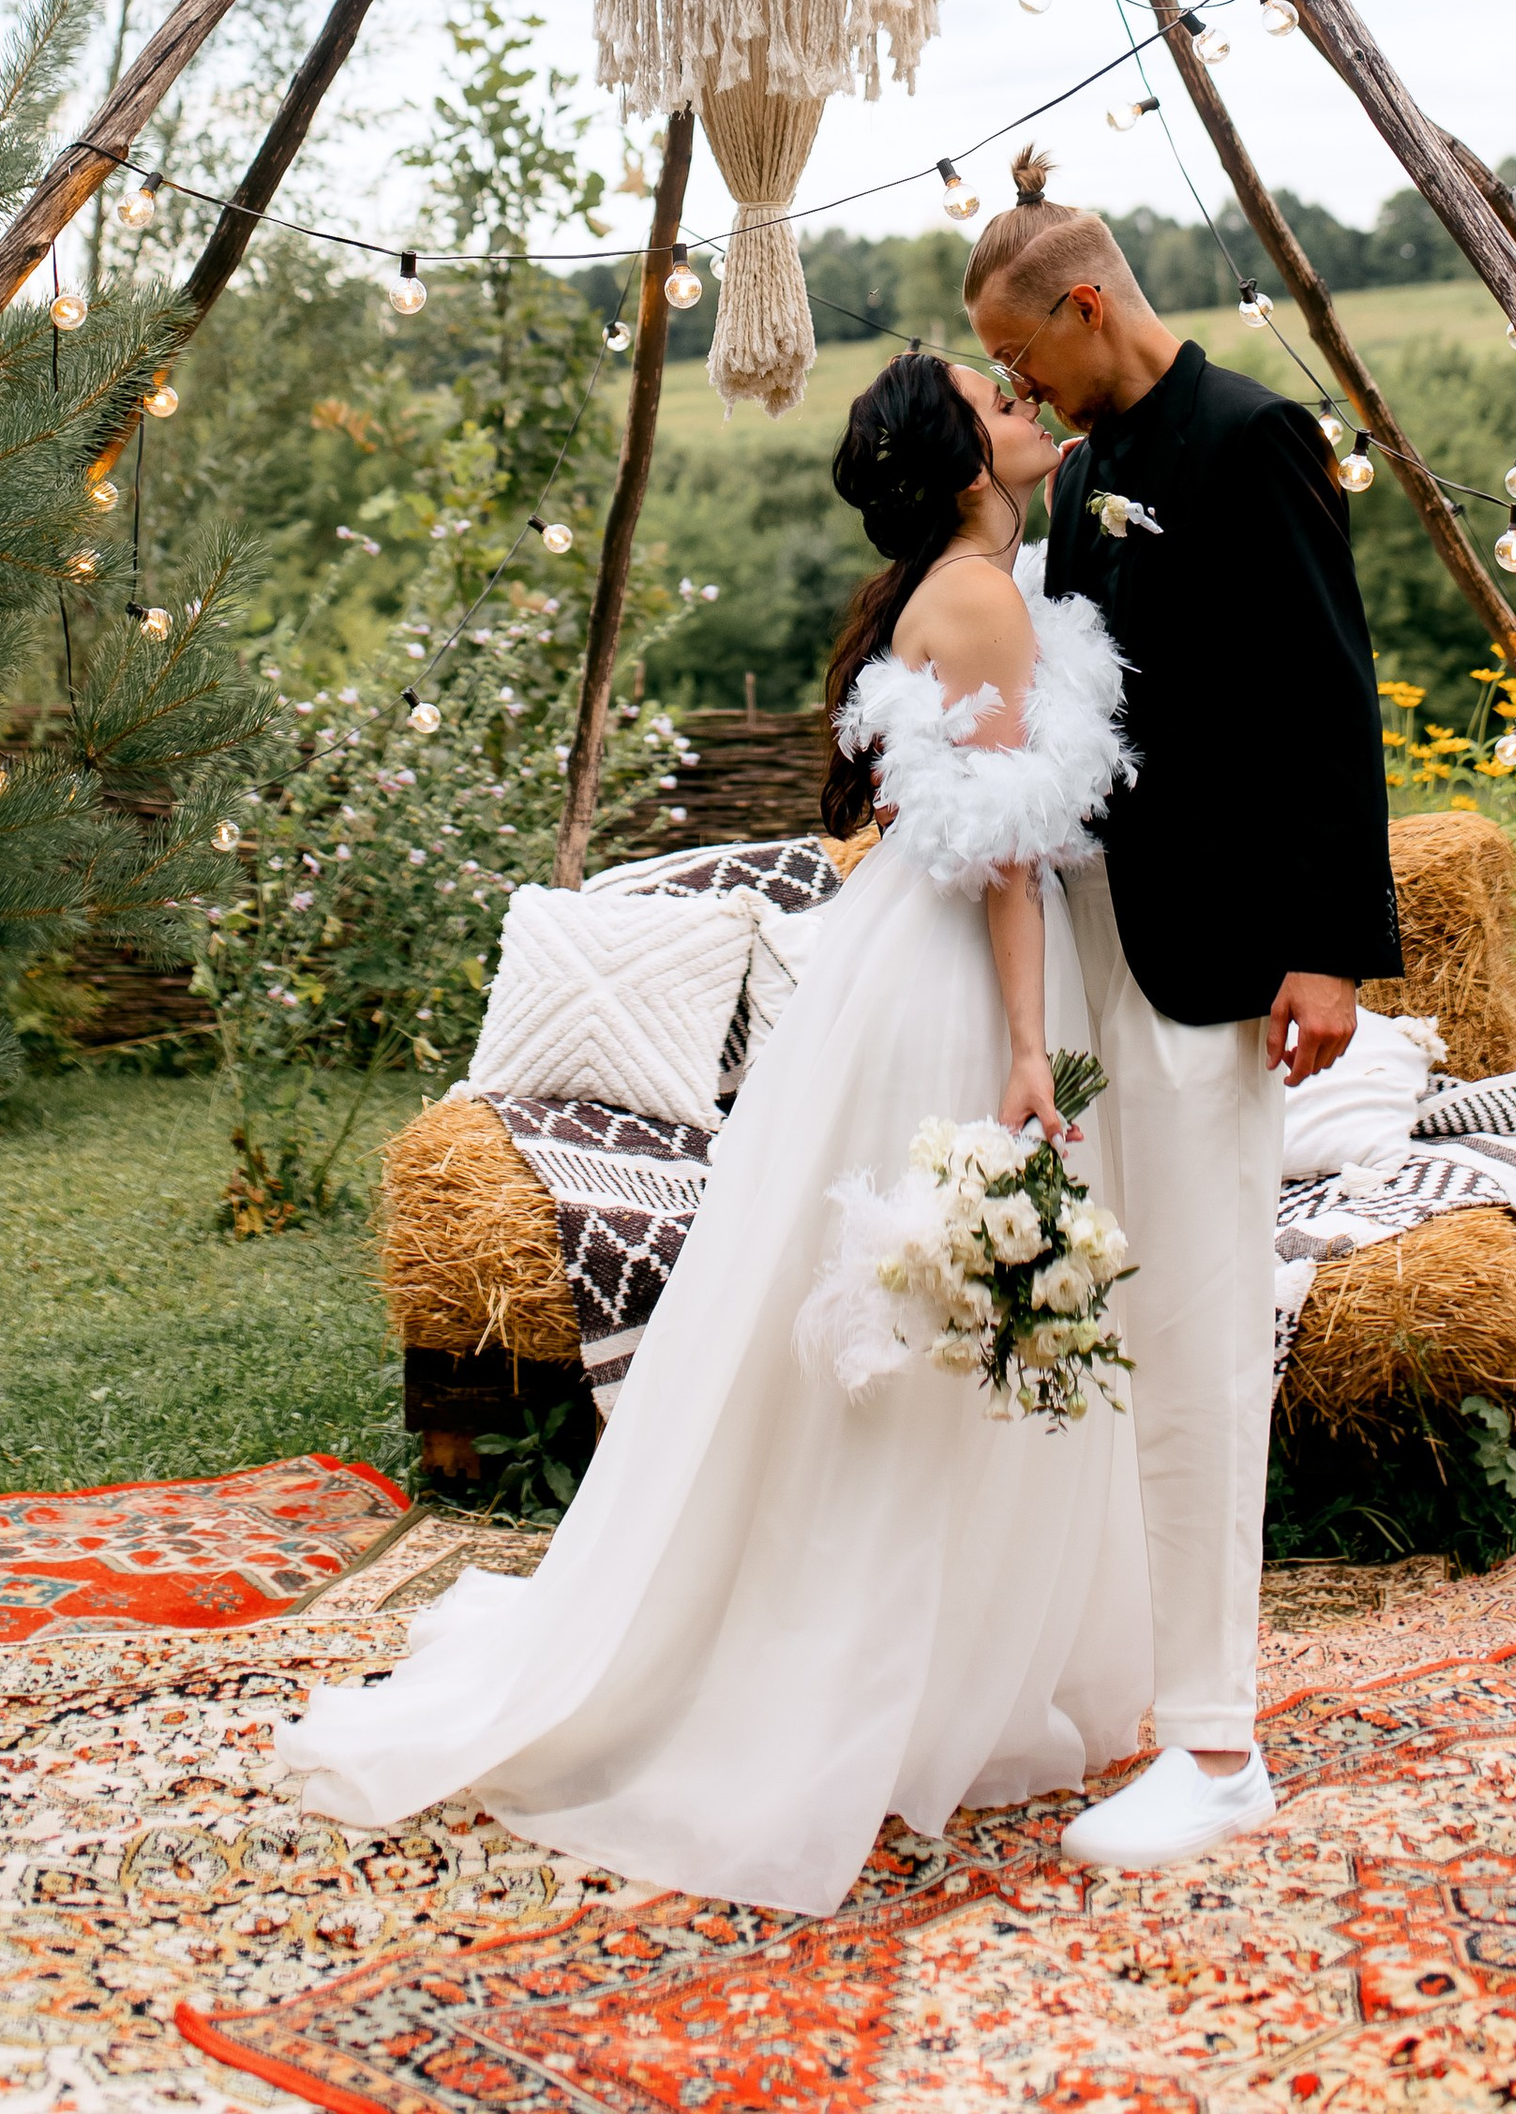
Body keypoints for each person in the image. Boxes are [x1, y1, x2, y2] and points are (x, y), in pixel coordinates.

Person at [262, 350, 1150, 1916]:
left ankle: (914, 1668)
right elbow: (1006, 858)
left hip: (900, 961)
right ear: (960, 463)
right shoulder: (980, 595)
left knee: (913, 1311)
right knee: (926, 1310)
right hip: (953, 986)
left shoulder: (960, 586)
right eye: (998, 399)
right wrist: (1026, 1046)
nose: (1028, 404)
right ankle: (873, 1688)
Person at [964, 147, 1396, 1872]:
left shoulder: (1254, 439)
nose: (1015, 392)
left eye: (1023, 359)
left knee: (1208, 1337)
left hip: (1226, 960)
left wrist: (1332, 949)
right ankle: (1143, 1694)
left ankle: (1222, 1751)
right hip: (1096, 950)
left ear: (1088, 303)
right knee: (1127, 1330)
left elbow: (1328, 698)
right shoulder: (1090, 475)